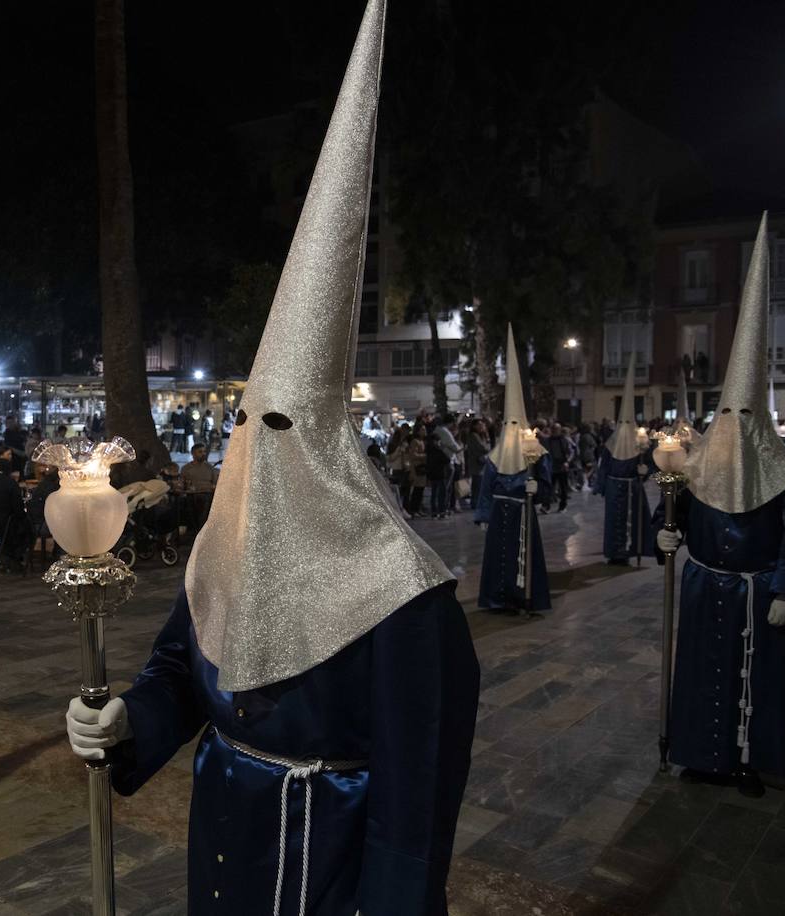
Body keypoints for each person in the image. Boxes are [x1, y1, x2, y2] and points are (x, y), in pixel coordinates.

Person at [64, 9, 479, 910]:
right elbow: (181, 669)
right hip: (224, 847)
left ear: (333, 446)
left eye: (284, 425)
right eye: (249, 420)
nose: (261, 445)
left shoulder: (405, 597)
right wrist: (126, 720)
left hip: (325, 871)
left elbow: (416, 809)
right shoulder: (227, 546)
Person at [654, 215, 785, 798]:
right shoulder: (697, 470)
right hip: (703, 587)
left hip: (757, 593)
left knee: (754, 681)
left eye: (745, 418)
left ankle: (747, 759)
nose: (735, 428)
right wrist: (664, 537)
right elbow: (669, 517)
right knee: (700, 674)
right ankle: (699, 754)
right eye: (728, 416)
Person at [474, 326, 552, 613]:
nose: (511, 430)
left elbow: (546, 485)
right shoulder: (495, 456)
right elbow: (485, 487)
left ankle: (524, 597)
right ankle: (497, 599)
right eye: (508, 425)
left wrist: (538, 490)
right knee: (499, 558)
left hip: (523, 512)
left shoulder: (537, 452)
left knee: (523, 557)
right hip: (498, 514)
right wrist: (483, 515)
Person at [593, 353, 652, 564]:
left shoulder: (641, 445)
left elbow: (647, 465)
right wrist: (600, 486)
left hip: (632, 488)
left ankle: (629, 552)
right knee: (614, 521)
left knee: (633, 521)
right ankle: (614, 553)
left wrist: (644, 472)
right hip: (614, 487)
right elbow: (604, 466)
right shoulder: (610, 444)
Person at [545, 422, 573, 512]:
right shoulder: (548, 441)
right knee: (549, 487)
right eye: (553, 429)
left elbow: (571, 452)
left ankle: (563, 505)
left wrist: (567, 462)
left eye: (556, 429)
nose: (555, 431)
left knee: (563, 487)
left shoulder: (565, 440)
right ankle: (546, 506)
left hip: (562, 465)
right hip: (552, 466)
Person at [464, 419, 491, 509]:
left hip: (480, 463)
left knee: (478, 484)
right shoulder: (474, 436)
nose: (481, 426)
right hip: (476, 463)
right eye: (479, 425)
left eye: (482, 425)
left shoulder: (480, 436)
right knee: (477, 485)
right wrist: (487, 441)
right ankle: (475, 503)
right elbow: (484, 448)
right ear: (474, 426)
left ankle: (476, 503)